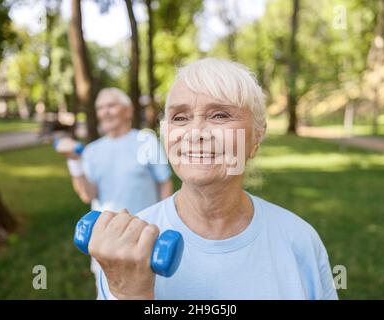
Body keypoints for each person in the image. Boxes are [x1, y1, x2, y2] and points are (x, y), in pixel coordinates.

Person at [87, 59, 338, 300]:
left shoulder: (300, 240)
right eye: (180, 118)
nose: (195, 133)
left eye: (219, 115)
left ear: (257, 137)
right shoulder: (128, 247)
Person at [62, 87, 173, 297]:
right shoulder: (92, 151)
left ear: (128, 111)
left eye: (111, 105)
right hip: (105, 240)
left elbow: (164, 183)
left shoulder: (146, 141)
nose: (105, 111)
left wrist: (165, 224)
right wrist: (73, 161)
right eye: (100, 107)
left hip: (144, 237)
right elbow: (88, 195)